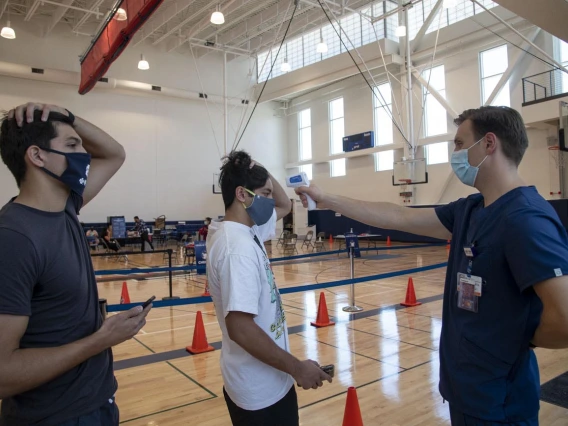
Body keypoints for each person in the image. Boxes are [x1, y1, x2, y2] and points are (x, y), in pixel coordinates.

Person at [295, 106, 568, 425]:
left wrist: (520, 339)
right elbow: (399, 216)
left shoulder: (525, 219)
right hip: (465, 390)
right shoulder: (472, 209)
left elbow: (565, 316)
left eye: (459, 143)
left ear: (489, 144)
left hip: (499, 401)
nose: (455, 153)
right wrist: (326, 199)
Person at [0, 102, 152, 425]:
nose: (84, 153)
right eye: (72, 145)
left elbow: (115, 153)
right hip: (54, 417)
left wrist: (65, 116)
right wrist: (101, 340)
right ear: (37, 156)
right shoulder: (14, 237)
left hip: (98, 403)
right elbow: (3, 373)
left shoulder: (67, 205)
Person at [207, 150, 332, 426]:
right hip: (259, 392)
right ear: (242, 194)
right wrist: (297, 367)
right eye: (264, 193)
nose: (269, 199)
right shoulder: (236, 249)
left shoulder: (242, 229)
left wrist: (257, 167)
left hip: (268, 380)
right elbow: (240, 327)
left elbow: (285, 204)